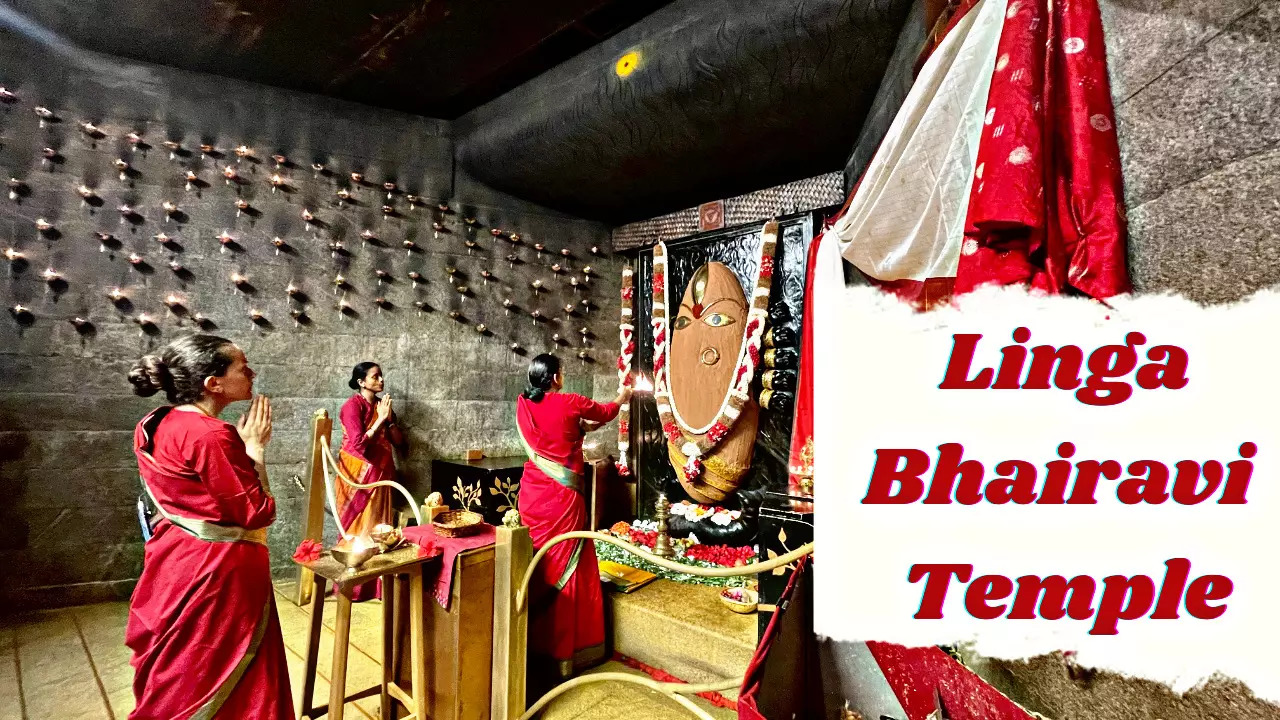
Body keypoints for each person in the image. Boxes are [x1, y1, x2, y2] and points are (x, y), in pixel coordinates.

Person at [125, 334, 293, 720]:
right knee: (221, 669)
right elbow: (258, 513)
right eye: (241, 367)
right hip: (217, 572)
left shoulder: (153, 422)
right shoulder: (212, 435)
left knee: (182, 667)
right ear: (212, 383)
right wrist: (255, 450)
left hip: (176, 557)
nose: (251, 373)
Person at [515, 353, 632, 679]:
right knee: (569, 563)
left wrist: (581, 426)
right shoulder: (570, 401)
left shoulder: (523, 404)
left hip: (533, 497)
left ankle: (534, 645)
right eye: (562, 373)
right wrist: (623, 395)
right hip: (563, 500)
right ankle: (568, 650)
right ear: (555, 377)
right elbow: (606, 412)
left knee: (541, 564)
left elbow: (562, 431)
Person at [335, 361, 407, 601]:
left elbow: (399, 442)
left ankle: (376, 586)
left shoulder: (382, 407)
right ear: (361, 382)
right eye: (375, 377)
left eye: (381, 376)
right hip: (357, 475)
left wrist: (390, 419)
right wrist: (380, 419)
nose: (381, 380)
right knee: (356, 529)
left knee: (379, 530)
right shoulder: (351, 407)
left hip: (382, 473)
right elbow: (358, 444)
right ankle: (353, 586)